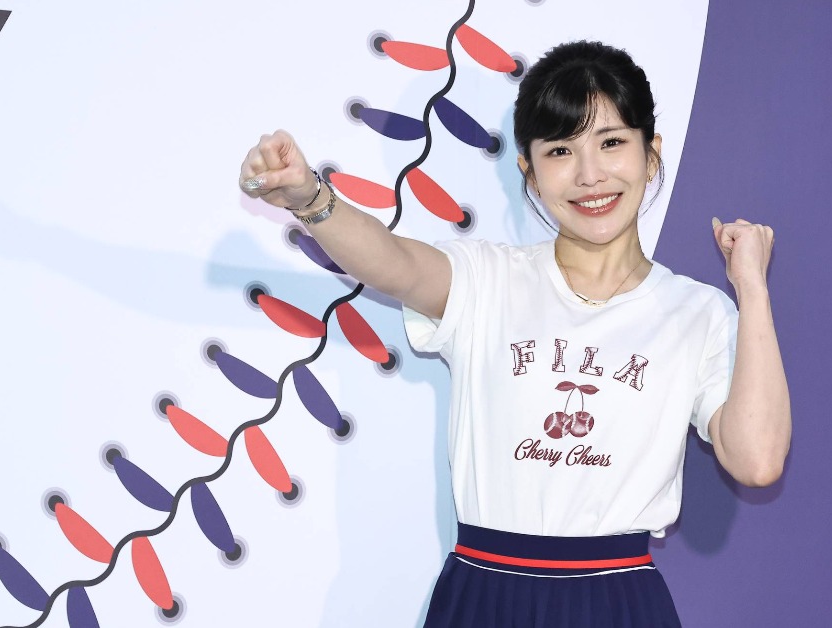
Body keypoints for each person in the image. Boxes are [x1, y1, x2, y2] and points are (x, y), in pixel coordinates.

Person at [240, 40, 790, 628]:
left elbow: (757, 462)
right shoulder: (486, 279)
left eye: (611, 143)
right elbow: (392, 261)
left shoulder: (697, 312)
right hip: (485, 594)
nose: (590, 175)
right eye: (560, 150)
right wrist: (310, 199)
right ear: (529, 170)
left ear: (651, 154)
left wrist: (752, 289)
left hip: (618, 601)